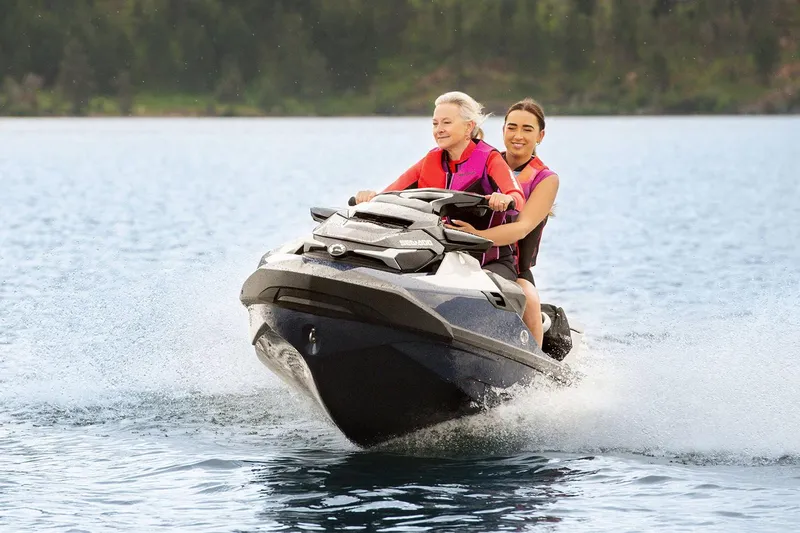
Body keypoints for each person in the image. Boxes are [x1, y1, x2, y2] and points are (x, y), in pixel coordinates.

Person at [354, 91, 526, 281]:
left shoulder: (489, 159)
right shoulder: (430, 161)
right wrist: (370, 198)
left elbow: (517, 197)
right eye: (435, 124)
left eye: (446, 122)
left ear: (469, 127)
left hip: (490, 262)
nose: (439, 129)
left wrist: (506, 198)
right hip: (442, 259)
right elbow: (389, 195)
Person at [448, 98, 559, 348]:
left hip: (513, 267)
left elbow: (521, 228)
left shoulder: (545, 179)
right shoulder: (487, 163)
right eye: (512, 127)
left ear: (540, 136)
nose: (518, 135)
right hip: (464, 257)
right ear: (503, 130)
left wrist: (477, 235)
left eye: (527, 129)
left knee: (528, 297)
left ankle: (535, 372)